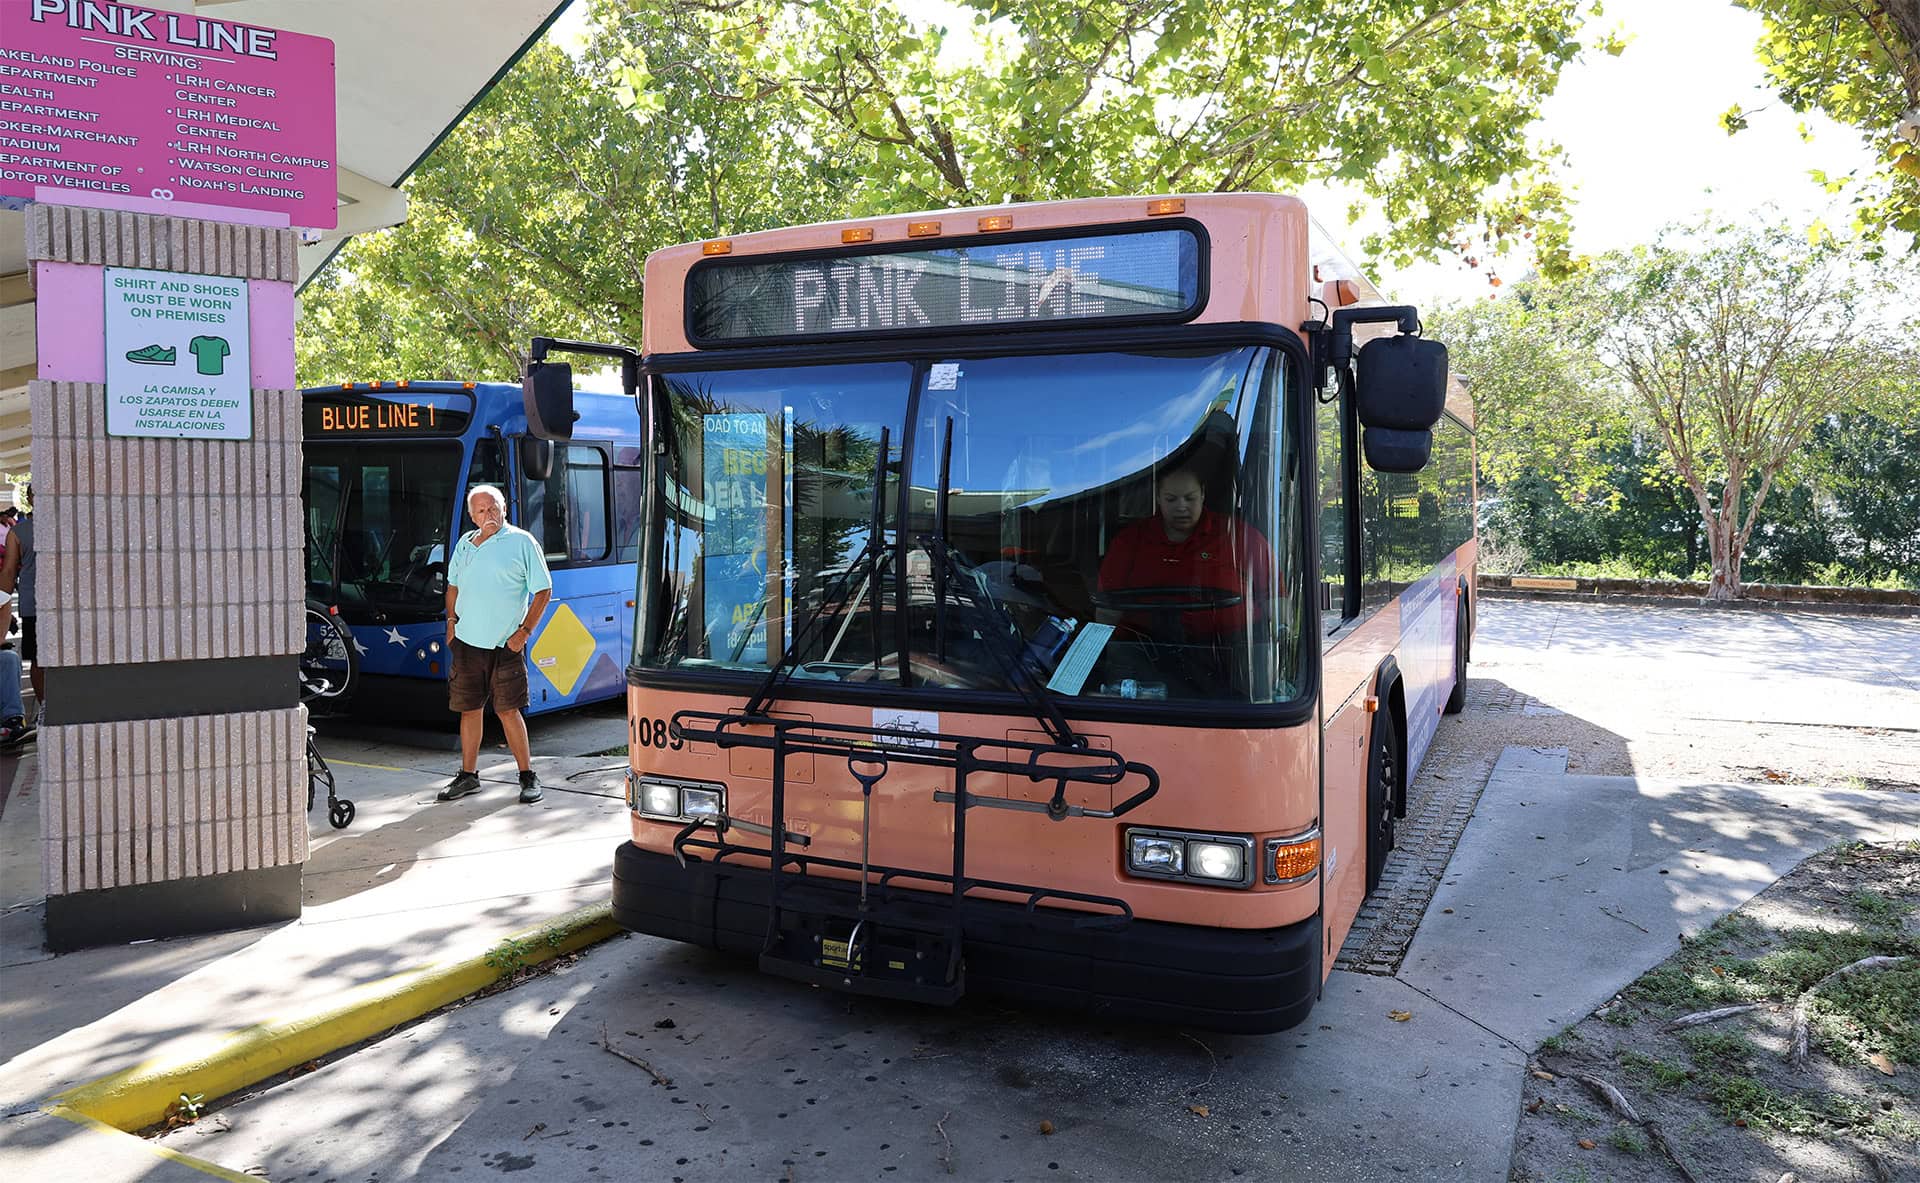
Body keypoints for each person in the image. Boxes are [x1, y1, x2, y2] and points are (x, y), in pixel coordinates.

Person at [438, 486, 552, 805]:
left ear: (504, 509)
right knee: (469, 710)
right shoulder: (465, 543)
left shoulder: (522, 542)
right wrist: (451, 623)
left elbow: (544, 590)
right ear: (472, 516)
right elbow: (453, 587)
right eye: (481, 510)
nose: (488, 515)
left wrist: (524, 633)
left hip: (505, 644)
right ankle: (468, 776)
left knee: (508, 710)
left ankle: (528, 776)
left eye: (493, 508)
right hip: (466, 642)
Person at [1096, 467, 1279, 642]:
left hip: (1233, 650)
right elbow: (1107, 611)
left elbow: (1276, 599)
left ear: (1203, 494)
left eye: (1190, 498)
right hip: (1142, 649)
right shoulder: (1129, 542)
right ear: (1158, 497)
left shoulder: (1240, 537)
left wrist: (1283, 632)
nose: (1181, 507)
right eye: (1171, 499)